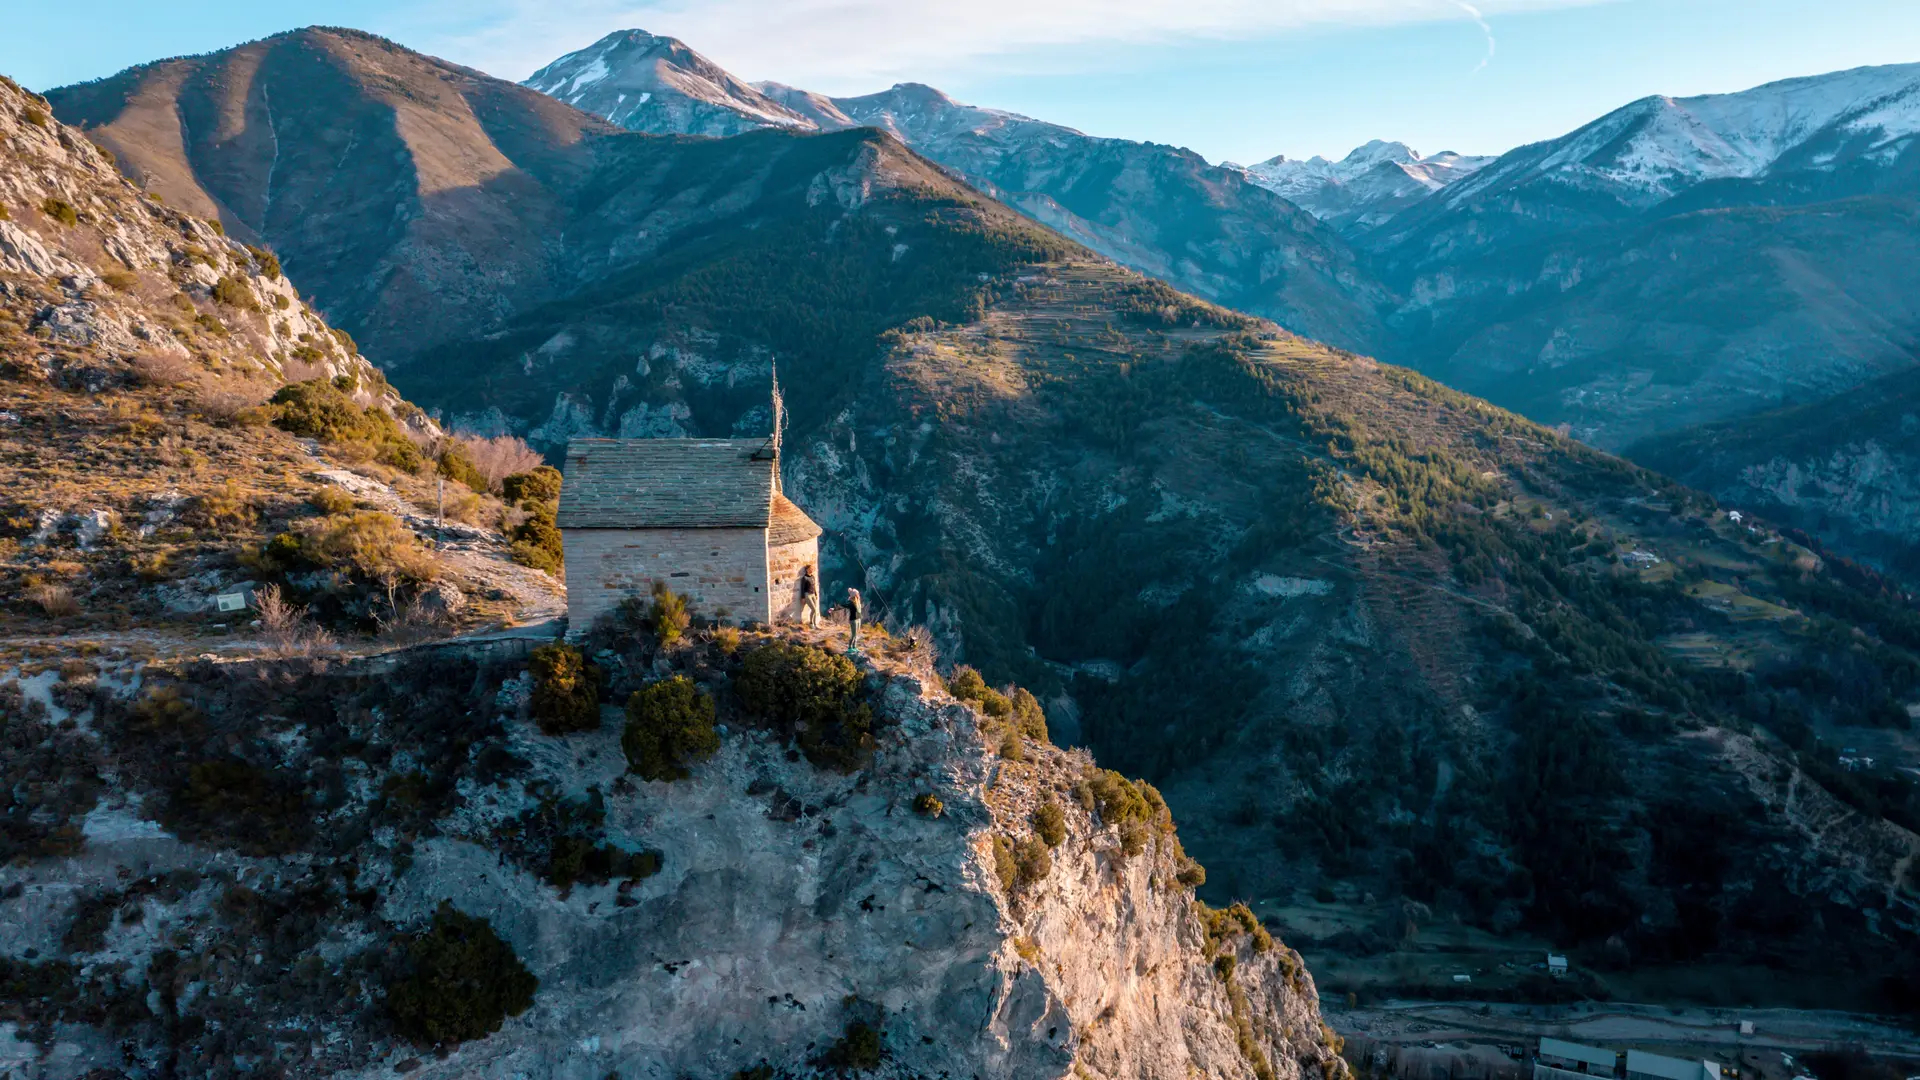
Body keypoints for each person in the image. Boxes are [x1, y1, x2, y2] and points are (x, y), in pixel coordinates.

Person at [798, 564, 821, 629]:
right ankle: (811, 623)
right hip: (807, 594)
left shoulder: (813, 577)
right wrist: (802, 597)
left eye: (812, 568)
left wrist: (816, 594)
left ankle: (815, 624)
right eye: (810, 568)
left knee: (815, 610)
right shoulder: (804, 578)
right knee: (813, 609)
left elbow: (814, 586)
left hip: (813, 594)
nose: (812, 570)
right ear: (807, 570)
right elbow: (802, 588)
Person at [845, 587, 863, 651]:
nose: (858, 595)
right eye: (857, 594)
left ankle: (854, 646)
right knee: (853, 634)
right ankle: (850, 647)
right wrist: (834, 609)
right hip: (853, 620)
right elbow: (842, 606)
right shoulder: (850, 602)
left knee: (856, 633)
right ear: (854, 595)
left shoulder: (858, 601)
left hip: (858, 619)